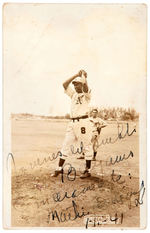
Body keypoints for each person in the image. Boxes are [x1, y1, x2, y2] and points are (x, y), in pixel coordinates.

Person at [51, 69, 95, 178]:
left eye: (77, 84)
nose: (75, 87)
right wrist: (76, 75)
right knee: (66, 144)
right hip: (72, 122)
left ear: (82, 84)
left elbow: (85, 88)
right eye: (74, 85)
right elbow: (64, 84)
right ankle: (59, 168)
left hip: (83, 122)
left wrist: (84, 78)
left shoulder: (86, 95)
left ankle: (88, 170)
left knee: (86, 146)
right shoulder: (73, 95)